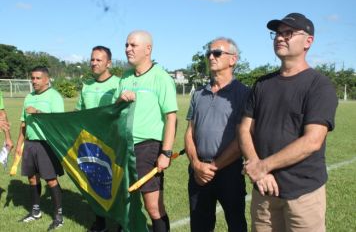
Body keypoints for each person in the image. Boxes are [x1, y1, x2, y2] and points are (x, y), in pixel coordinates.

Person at [239, 13, 338, 232]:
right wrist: (257, 167)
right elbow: (244, 129)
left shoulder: (319, 85)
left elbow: (313, 141)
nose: (280, 38)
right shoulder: (262, 84)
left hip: (302, 194)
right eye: (277, 33)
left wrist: (262, 167)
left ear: (308, 41)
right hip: (264, 191)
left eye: (288, 33)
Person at [114, 30, 177, 232]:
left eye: (133, 45)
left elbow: (171, 118)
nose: (127, 49)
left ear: (148, 49)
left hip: (148, 148)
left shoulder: (161, 77)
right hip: (124, 147)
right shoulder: (124, 77)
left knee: (153, 206)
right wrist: (119, 99)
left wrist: (166, 153)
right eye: (126, 45)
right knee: (125, 200)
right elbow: (113, 111)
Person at [184, 37, 249, 232]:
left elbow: (242, 139)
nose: (211, 57)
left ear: (233, 59)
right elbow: (189, 133)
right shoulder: (198, 94)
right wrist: (196, 164)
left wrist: (213, 167)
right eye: (209, 53)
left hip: (229, 171)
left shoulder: (244, 94)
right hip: (198, 170)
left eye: (217, 53)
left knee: (236, 224)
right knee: (200, 225)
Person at [76, 46, 122, 232]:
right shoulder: (86, 85)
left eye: (99, 60)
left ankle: (120, 222)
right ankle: (100, 221)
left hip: (113, 142)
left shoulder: (119, 83)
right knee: (93, 181)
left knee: (116, 182)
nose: (94, 63)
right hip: (90, 143)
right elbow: (79, 113)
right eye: (92, 59)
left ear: (108, 63)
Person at [15, 66, 65, 230]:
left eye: (37, 78)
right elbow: (24, 123)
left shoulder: (54, 97)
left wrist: (37, 111)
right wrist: (19, 144)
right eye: (33, 78)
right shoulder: (28, 97)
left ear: (46, 79)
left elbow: (58, 122)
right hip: (30, 143)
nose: (34, 81)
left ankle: (59, 216)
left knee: (50, 179)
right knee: (32, 178)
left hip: (46, 143)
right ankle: (35, 211)